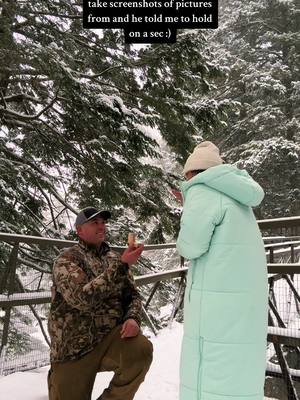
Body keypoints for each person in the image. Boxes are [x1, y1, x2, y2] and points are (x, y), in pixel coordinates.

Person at [176, 142, 268, 400]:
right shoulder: (237, 196)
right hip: (241, 303)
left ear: (193, 173)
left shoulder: (202, 192)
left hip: (216, 306)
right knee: (236, 370)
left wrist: (188, 208)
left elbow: (190, 246)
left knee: (209, 372)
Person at [48, 207, 153, 400]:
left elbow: (133, 296)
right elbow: (82, 298)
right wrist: (122, 266)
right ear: (79, 230)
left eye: (103, 222)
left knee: (141, 350)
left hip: (109, 338)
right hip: (73, 348)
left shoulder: (113, 257)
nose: (101, 227)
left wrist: (133, 318)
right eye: (94, 223)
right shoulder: (66, 260)